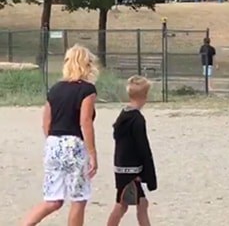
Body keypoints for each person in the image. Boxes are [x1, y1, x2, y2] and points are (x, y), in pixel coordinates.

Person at [22, 44, 99, 226]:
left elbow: (46, 122)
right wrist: (93, 153)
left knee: (53, 200)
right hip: (74, 144)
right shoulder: (87, 90)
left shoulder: (55, 89)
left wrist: (53, 141)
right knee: (79, 198)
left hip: (53, 143)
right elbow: (85, 121)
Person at [106, 76, 157, 226]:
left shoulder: (123, 116)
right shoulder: (137, 119)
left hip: (122, 167)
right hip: (131, 170)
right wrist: (147, 174)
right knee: (122, 204)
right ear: (145, 96)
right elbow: (143, 148)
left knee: (140, 203)